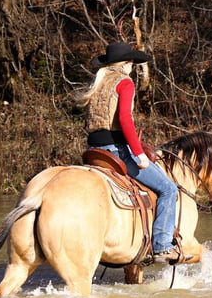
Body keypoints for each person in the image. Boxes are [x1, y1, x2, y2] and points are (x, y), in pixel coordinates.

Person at [75, 42, 181, 264]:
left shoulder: (98, 82)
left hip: (93, 150)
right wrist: (138, 153)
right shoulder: (124, 82)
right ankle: (162, 246)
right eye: (132, 63)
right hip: (116, 150)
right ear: (126, 64)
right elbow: (125, 119)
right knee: (169, 189)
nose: (133, 68)